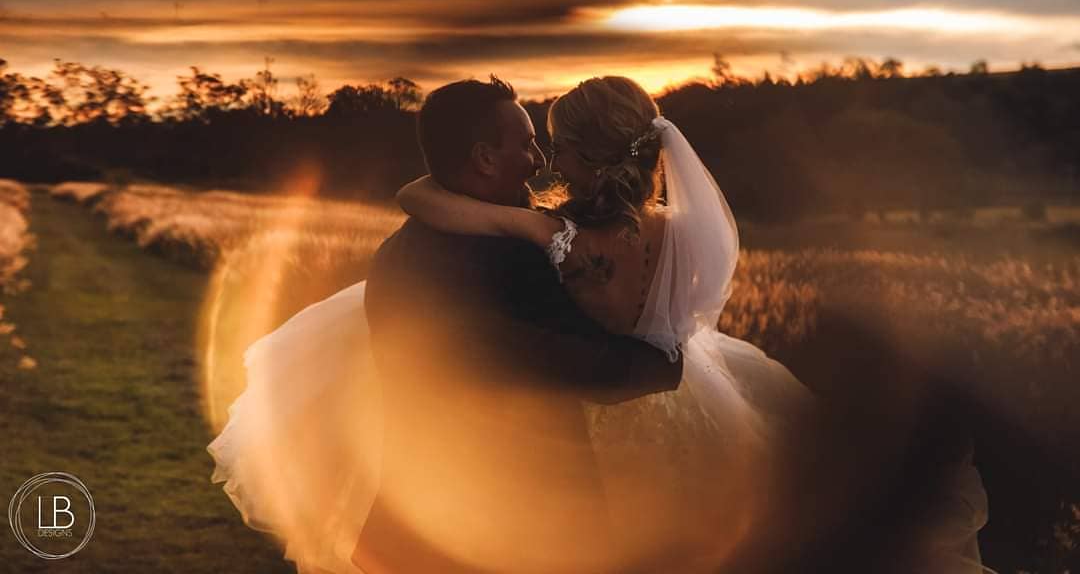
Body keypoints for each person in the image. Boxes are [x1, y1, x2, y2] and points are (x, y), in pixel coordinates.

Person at [395, 75, 998, 573]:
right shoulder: (678, 230)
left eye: (557, 147)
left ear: (591, 155)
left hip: (600, 422)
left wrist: (523, 223)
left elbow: (421, 197)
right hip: (689, 396)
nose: (546, 162)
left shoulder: (557, 236)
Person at [207, 76, 682, 574]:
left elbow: (419, 195)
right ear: (483, 159)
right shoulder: (506, 260)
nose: (540, 162)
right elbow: (567, 362)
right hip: (485, 529)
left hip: (422, 522)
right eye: (527, 145)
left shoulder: (409, 245)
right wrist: (665, 364)